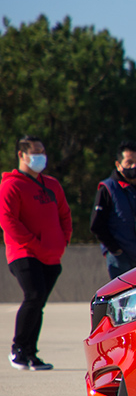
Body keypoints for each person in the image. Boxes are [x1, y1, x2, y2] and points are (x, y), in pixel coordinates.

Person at [1, 136, 72, 370]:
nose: (41, 156)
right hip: (23, 253)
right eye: (35, 152)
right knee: (33, 295)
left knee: (38, 302)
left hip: (52, 254)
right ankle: (18, 349)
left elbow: (64, 213)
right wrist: (34, 243)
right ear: (21, 155)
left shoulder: (51, 184)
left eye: (42, 151)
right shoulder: (11, 185)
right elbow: (8, 221)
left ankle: (31, 353)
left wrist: (64, 240)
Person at [90, 141, 136, 281]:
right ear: (118, 165)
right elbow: (96, 225)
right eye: (129, 162)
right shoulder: (108, 188)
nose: (134, 166)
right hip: (120, 259)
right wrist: (115, 250)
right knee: (123, 299)